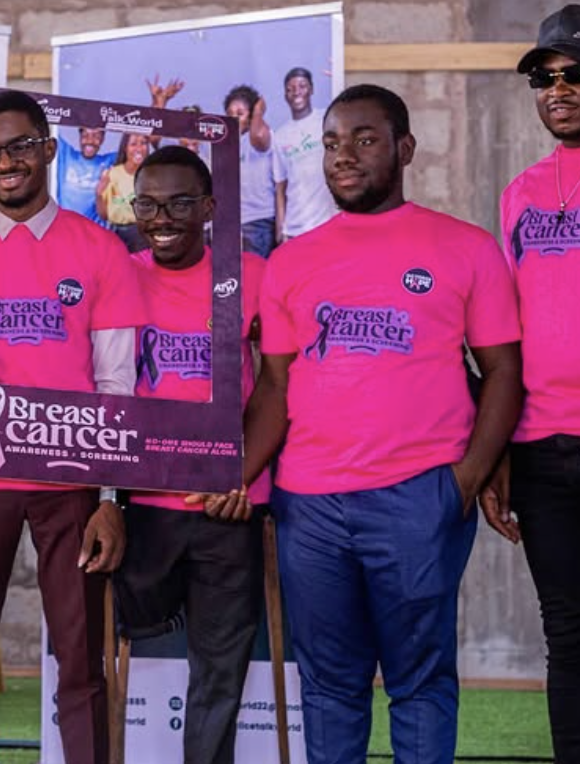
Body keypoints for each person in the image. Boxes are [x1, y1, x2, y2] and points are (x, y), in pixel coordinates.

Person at [204, 85, 522, 764]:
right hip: (310, 506)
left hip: (418, 497)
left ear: (404, 149)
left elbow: (501, 371)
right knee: (328, 684)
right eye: (330, 143)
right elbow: (274, 386)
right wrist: (234, 473)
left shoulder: (465, 248)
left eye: (364, 140)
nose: (342, 157)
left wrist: (464, 479)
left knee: (418, 682)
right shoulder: (292, 260)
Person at [0, 89, 147, 764]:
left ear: (47, 150)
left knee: (79, 659)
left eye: (19, 147)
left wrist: (109, 500)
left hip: (69, 480)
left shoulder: (99, 249)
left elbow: (116, 386)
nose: (5, 163)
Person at [112, 145, 267, 764]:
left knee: (219, 673)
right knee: (122, 633)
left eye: (180, 203)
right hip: (143, 503)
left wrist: (242, 472)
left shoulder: (250, 273)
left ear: (208, 208)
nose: (162, 217)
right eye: (147, 203)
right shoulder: (117, 272)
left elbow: (281, 385)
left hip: (228, 501)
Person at [484, 6, 580, 760]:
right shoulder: (519, 191)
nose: (558, 89)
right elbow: (504, 333)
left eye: (573, 73)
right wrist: (497, 448)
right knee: (567, 630)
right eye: (544, 78)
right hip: (542, 447)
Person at [273, 67, 337, 241]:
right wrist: (280, 228)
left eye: (302, 86)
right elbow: (280, 188)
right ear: (285, 95)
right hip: (295, 229)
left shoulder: (327, 119)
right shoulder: (280, 136)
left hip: (327, 223)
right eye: (290, 88)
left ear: (312, 89)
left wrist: (338, 75)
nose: (296, 92)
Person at [224, 85, 276, 258]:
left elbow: (259, 137)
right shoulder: (227, 145)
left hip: (258, 222)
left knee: (256, 277)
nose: (233, 118)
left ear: (251, 115)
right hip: (234, 225)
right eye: (229, 114)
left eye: (240, 113)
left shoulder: (259, 136)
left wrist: (259, 109)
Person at [96, 132, 152, 252]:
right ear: (125, 148)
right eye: (133, 144)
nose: (139, 148)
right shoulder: (112, 174)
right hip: (116, 234)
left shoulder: (151, 176)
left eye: (143, 143)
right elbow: (104, 215)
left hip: (140, 237)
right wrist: (99, 195)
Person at [56, 126, 116, 226]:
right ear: (79, 136)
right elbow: (46, 128)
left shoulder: (108, 161)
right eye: (85, 135)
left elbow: (133, 147)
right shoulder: (66, 154)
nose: (90, 140)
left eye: (96, 136)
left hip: (92, 231)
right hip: (64, 227)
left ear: (103, 139)